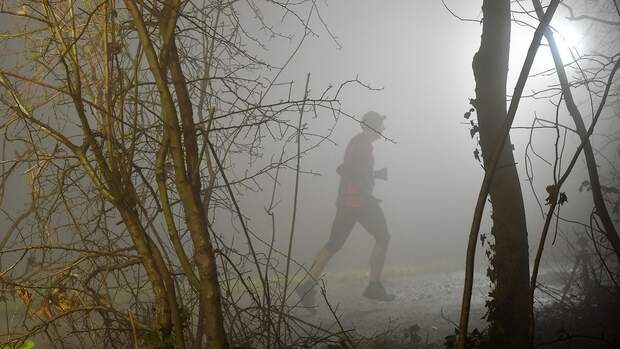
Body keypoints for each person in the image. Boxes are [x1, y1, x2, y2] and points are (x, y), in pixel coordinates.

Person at [297, 111, 394, 309]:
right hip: (358, 202)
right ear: (371, 126)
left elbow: (353, 170)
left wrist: (375, 175)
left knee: (333, 244)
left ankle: (307, 285)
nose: (383, 129)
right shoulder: (362, 145)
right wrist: (366, 192)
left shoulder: (360, 144)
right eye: (380, 125)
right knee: (383, 237)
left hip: (348, 202)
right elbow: (346, 169)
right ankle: (374, 286)